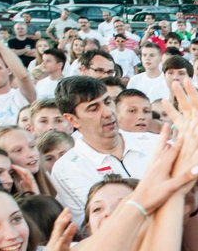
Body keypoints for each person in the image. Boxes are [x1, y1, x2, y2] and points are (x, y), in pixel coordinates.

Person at [51, 76, 161, 224]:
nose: (108, 112)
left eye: (108, 102)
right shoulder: (68, 169)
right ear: (72, 120)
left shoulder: (155, 143)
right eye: (93, 108)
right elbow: (98, 225)